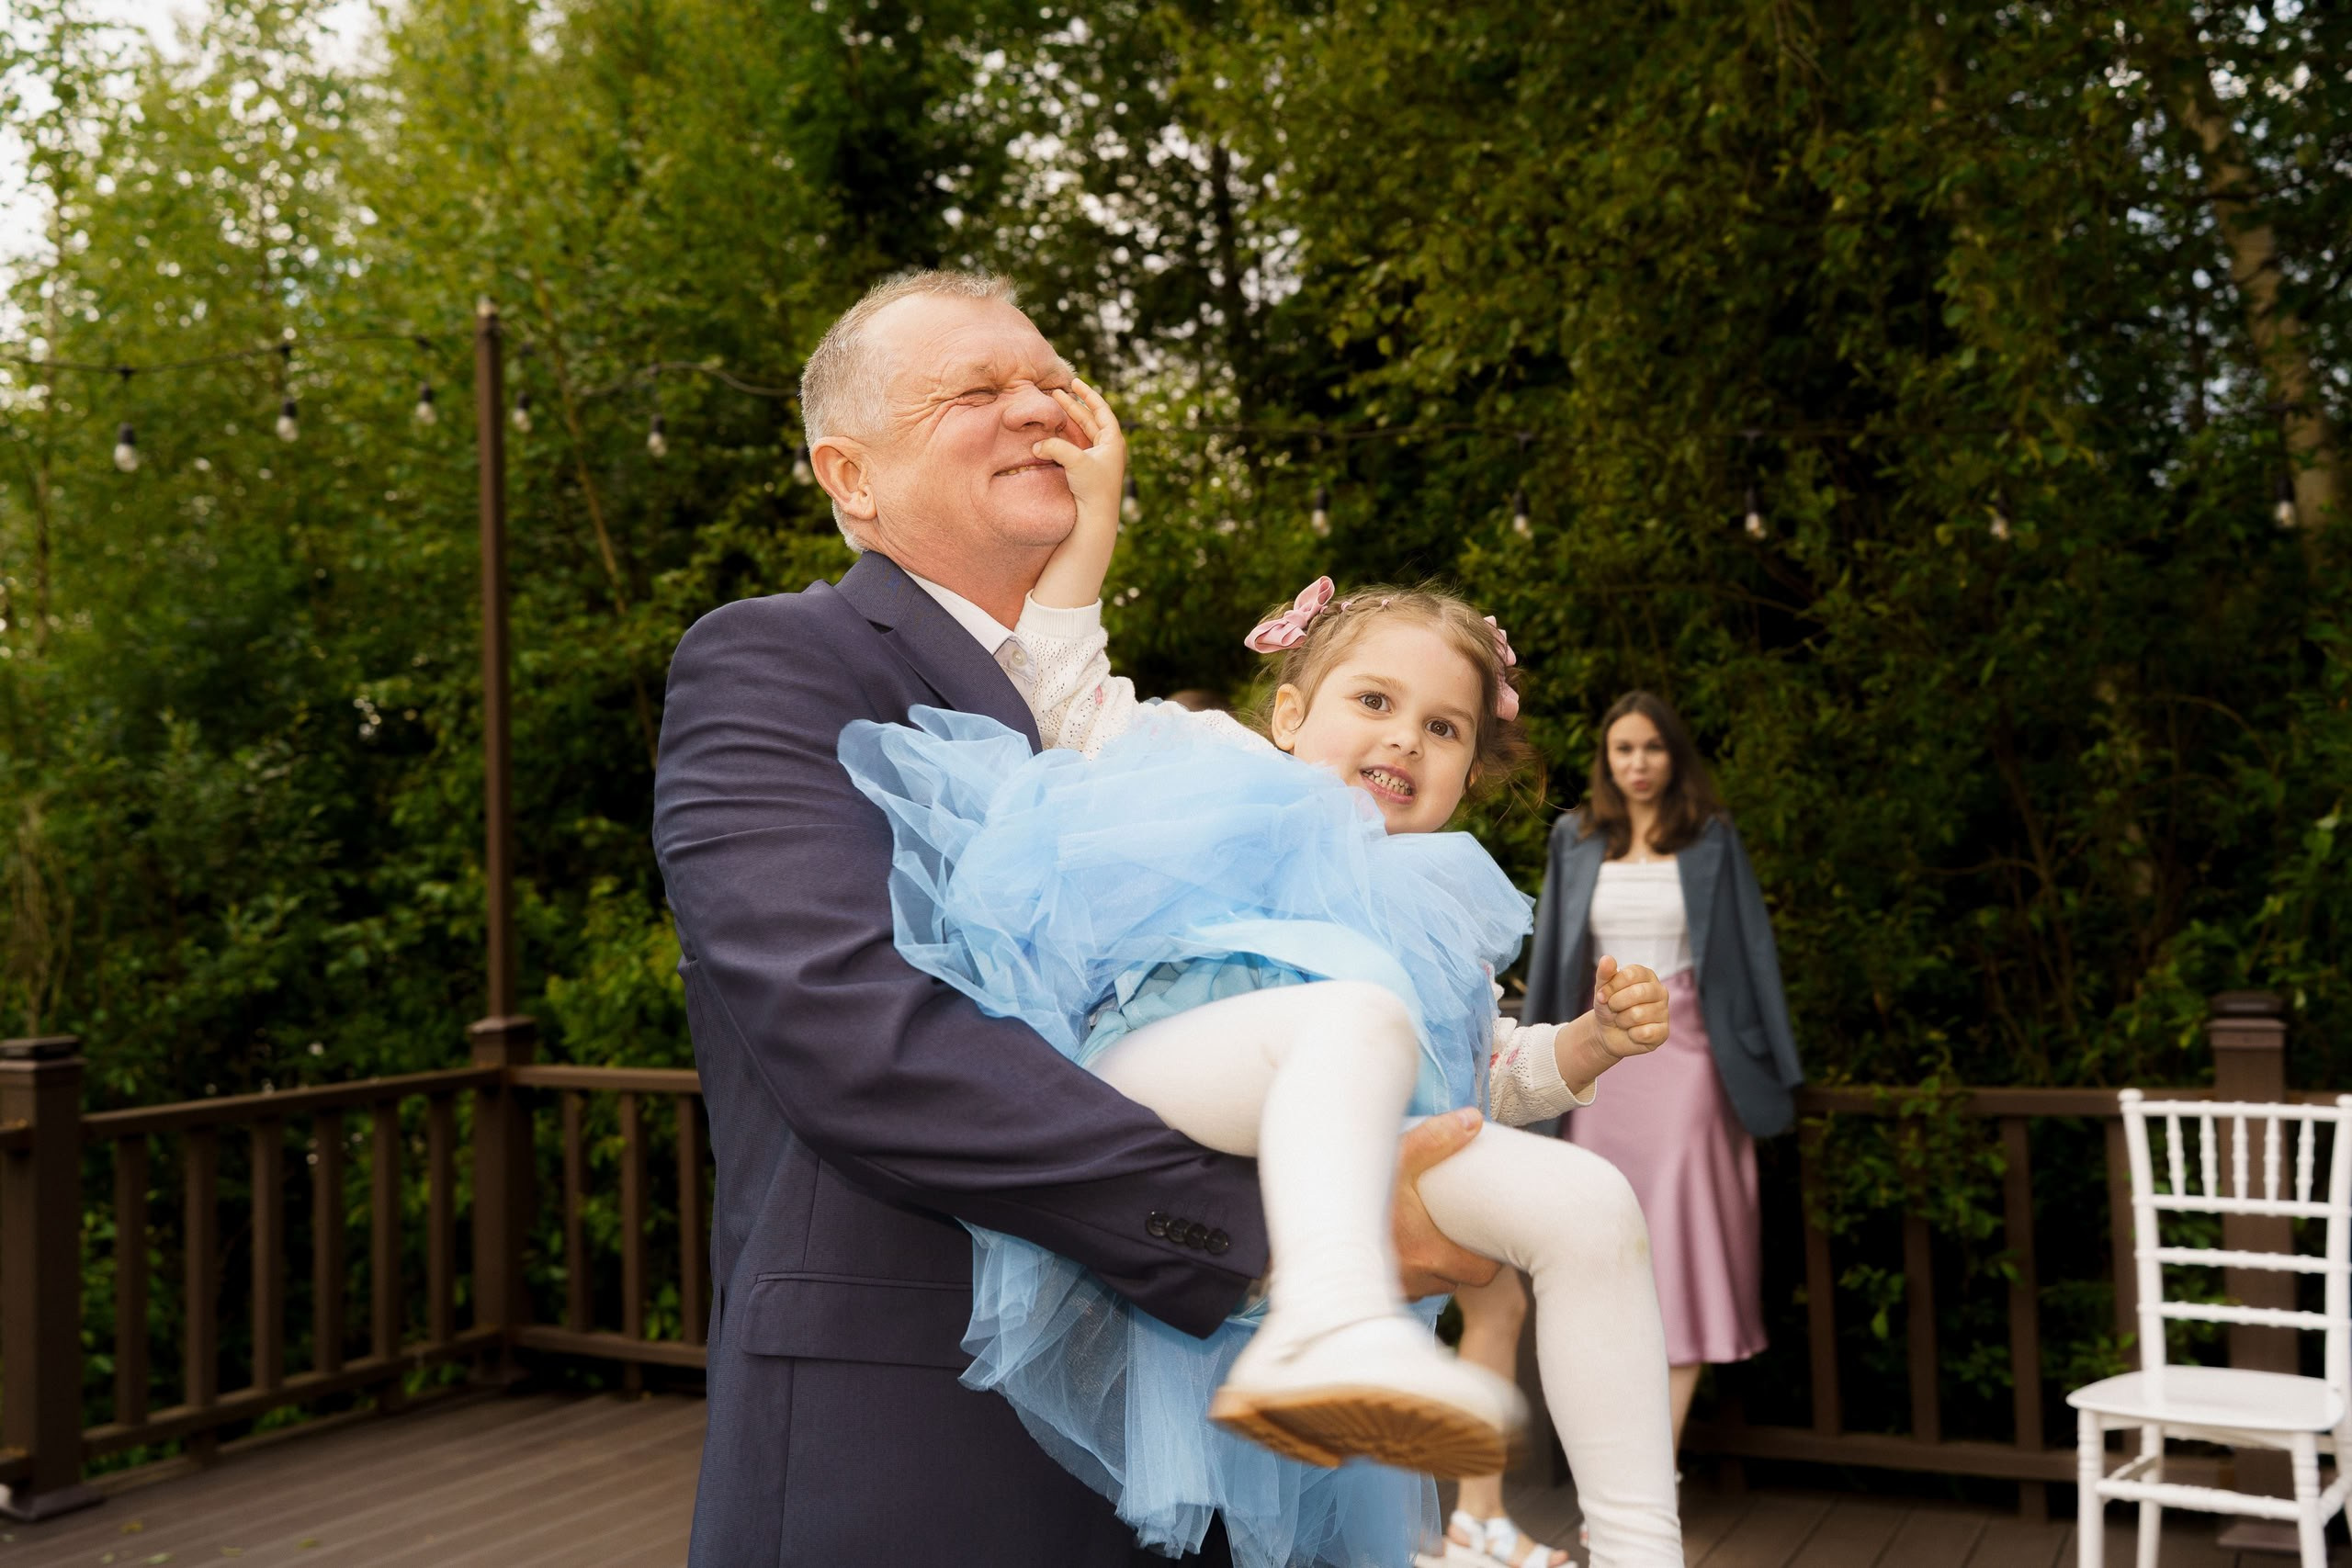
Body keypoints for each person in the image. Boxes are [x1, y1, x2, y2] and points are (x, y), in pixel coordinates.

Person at [654, 270, 1505, 1568]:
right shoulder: (774, 660)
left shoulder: (1140, 732)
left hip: (1198, 1454)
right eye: (976, 390)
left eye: (1052, 380)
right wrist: (1279, 1234)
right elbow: (857, 1033)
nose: (1036, 408)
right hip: (912, 1442)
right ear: (853, 475)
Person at [836, 378, 1686, 1567]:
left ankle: (1645, 1543)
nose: (1405, 737)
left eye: (1445, 728)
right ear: (1291, 711)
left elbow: (1479, 1074)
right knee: (1349, 1015)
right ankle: (1329, 1322)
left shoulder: (1433, 898)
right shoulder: (1218, 764)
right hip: (1164, 1068)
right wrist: (1097, 521)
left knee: (1590, 1204)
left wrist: (1587, 1043)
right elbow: (1068, 683)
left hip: (1336, 1124)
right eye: (1375, 700)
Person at [1522, 692, 1805, 1461]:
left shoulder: (1711, 838)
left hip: (1690, 1057)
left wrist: (1779, 1064)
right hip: (1602, 1053)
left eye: (1651, 747)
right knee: (1597, 1237)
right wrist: (1534, 1059)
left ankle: (1651, 1470)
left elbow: (1751, 950)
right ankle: (1606, 1468)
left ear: (1673, 755)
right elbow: (1552, 956)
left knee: (1680, 1248)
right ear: (1605, 759)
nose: (1638, 763)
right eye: (1623, 749)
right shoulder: (1574, 838)